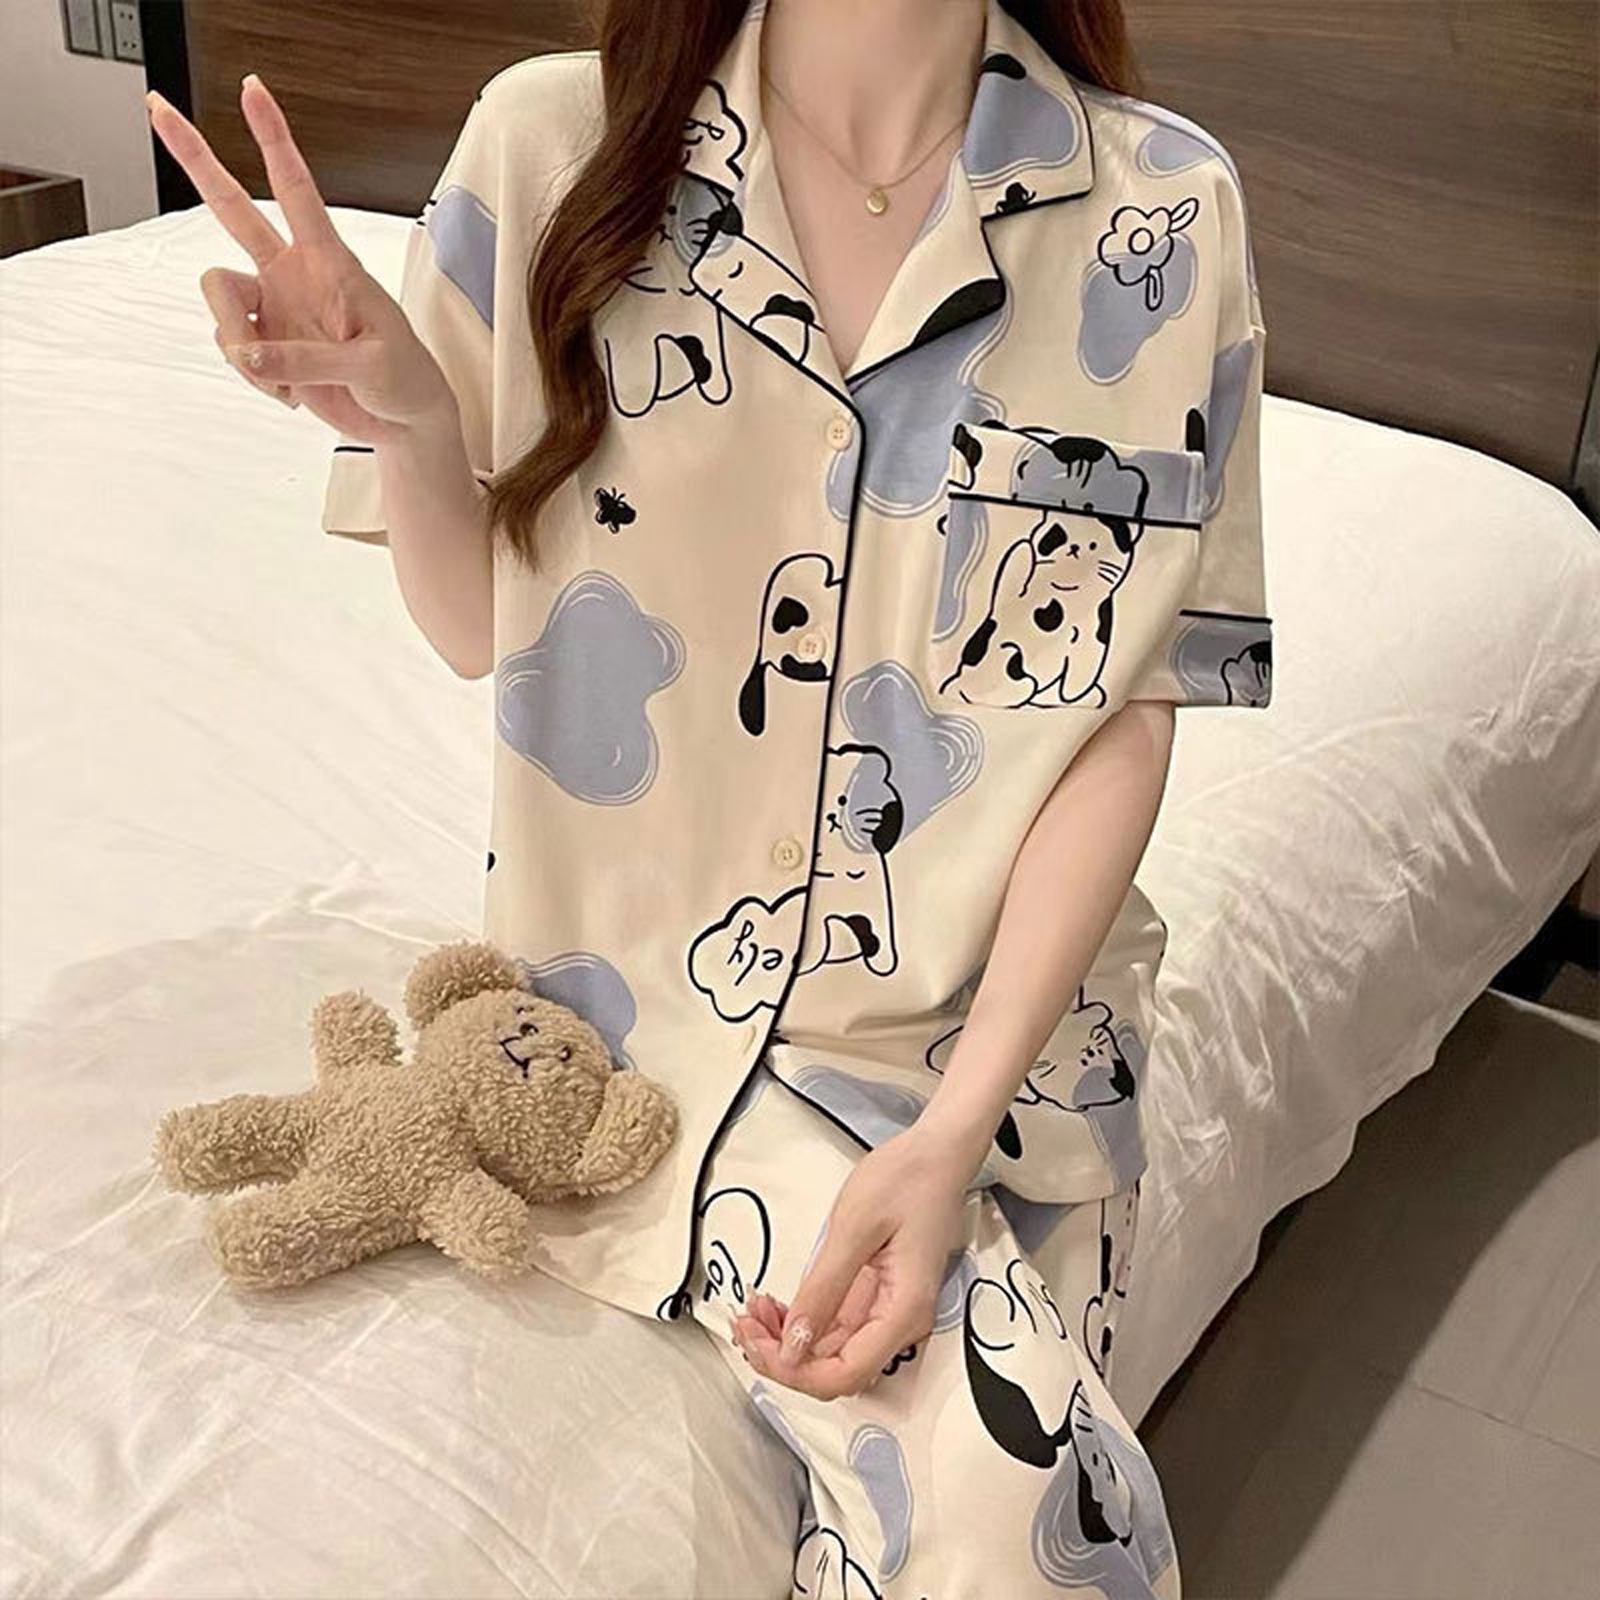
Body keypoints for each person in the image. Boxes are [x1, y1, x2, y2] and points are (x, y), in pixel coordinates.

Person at [147, 0, 1274, 1592]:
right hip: (614, 1036)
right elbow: (480, 630)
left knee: (1031, 1531)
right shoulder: (550, 147)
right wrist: (415, 420)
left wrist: (953, 1133)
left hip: (979, 1056)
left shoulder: (1165, 208)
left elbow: (1116, 720)